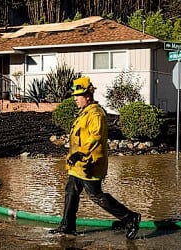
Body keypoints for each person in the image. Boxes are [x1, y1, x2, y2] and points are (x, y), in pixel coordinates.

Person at [49, 76, 141, 240]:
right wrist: (74, 155)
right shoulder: (84, 113)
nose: (75, 99)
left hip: (89, 164)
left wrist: (80, 153)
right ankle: (67, 226)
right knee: (71, 191)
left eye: (78, 96)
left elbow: (96, 137)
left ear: (88, 96)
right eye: (75, 96)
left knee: (96, 195)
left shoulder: (96, 114)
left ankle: (130, 218)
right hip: (78, 164)